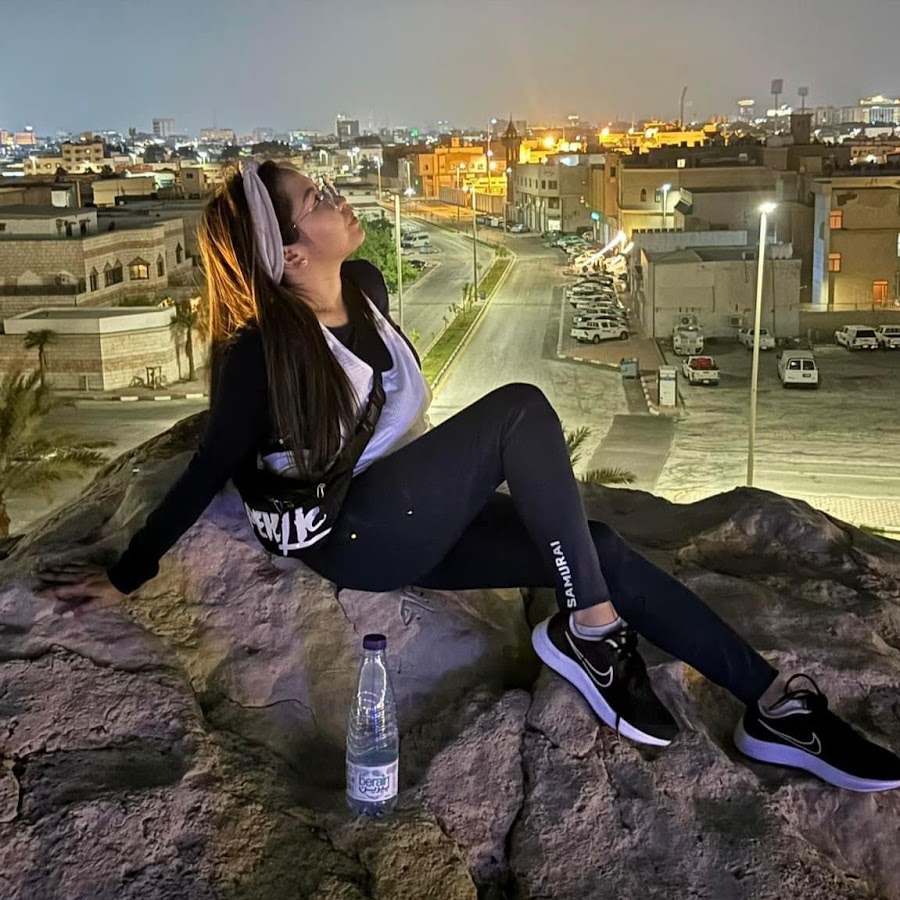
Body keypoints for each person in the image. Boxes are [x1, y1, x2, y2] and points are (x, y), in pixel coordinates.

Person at [38, 161, 900, 794]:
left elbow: (397, 425)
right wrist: (127, 573)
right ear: (291, 254)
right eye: (317, 199)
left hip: (418, 511)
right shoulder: (260, 355)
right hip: (356, 538)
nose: (338, 195)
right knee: (519, 410)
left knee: (598, 546)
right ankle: (592, 635)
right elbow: (206, 468)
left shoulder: (364, 285)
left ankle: (776, 708)